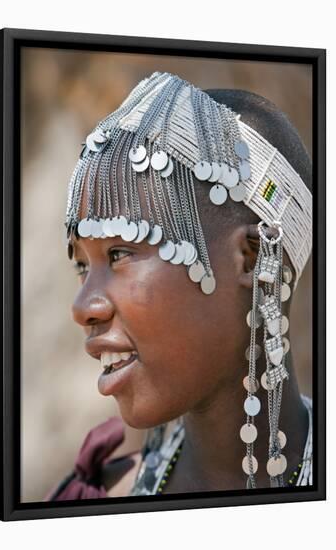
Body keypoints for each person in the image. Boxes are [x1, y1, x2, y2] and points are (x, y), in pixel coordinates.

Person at [46, 71, 313, 500]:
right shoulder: (93, 501)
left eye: (119, 253)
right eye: (82, 266)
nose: (83, 307)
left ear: (251, 257)